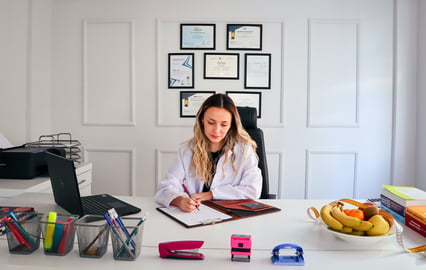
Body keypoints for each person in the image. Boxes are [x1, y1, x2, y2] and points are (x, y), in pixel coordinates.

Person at [154, 93, 262, 212]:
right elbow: (165, 187)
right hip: (196, 214)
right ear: (202, 120)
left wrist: (212, 194)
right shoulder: (186, 150)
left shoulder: (244, 150)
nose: (216, 130)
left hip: (231, 214)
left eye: (224, 124)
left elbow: (253, 190)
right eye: (211, 122)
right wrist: (179, 200)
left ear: (231, 125)